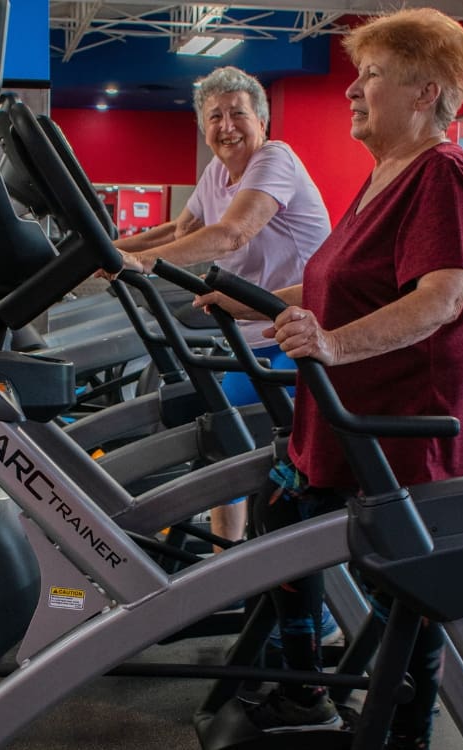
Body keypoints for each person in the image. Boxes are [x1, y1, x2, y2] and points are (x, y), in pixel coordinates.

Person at [195, 9, 463, 744]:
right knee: (280, 512)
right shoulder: (383, 177)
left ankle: (407, 731)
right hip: (345, 425)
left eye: (371, 75)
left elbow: (440, 298)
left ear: (425, 91)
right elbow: (336, 284)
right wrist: (239, 299)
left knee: (404, 588)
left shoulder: (443, 173)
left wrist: (331, 345)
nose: (352, 91)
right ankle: (306, 694)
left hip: (405, 429)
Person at [106, 65, 331, 550]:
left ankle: (320, 596)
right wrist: (104, 250)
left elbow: (233, 233)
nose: (226, 126)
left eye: (238, 114)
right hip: (250, 335)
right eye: (215, 117)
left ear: (262, 122)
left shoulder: (276, 159)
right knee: (226, 453)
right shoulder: (215, 173)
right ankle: (221, 561)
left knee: (296, 471)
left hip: (304, 332)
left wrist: (138, 262)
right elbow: (179, 233)